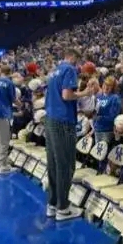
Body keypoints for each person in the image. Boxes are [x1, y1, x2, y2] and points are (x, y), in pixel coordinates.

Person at [44, 48, 83, 221]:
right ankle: (63, 209)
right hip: (63, 121)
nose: (77, 64)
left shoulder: (54, 71)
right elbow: (67, 95)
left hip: (50, 119)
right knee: (65, 164)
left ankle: (52, 204)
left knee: (53, 163)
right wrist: (86, 93)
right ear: (73, 57)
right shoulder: (69, 69)